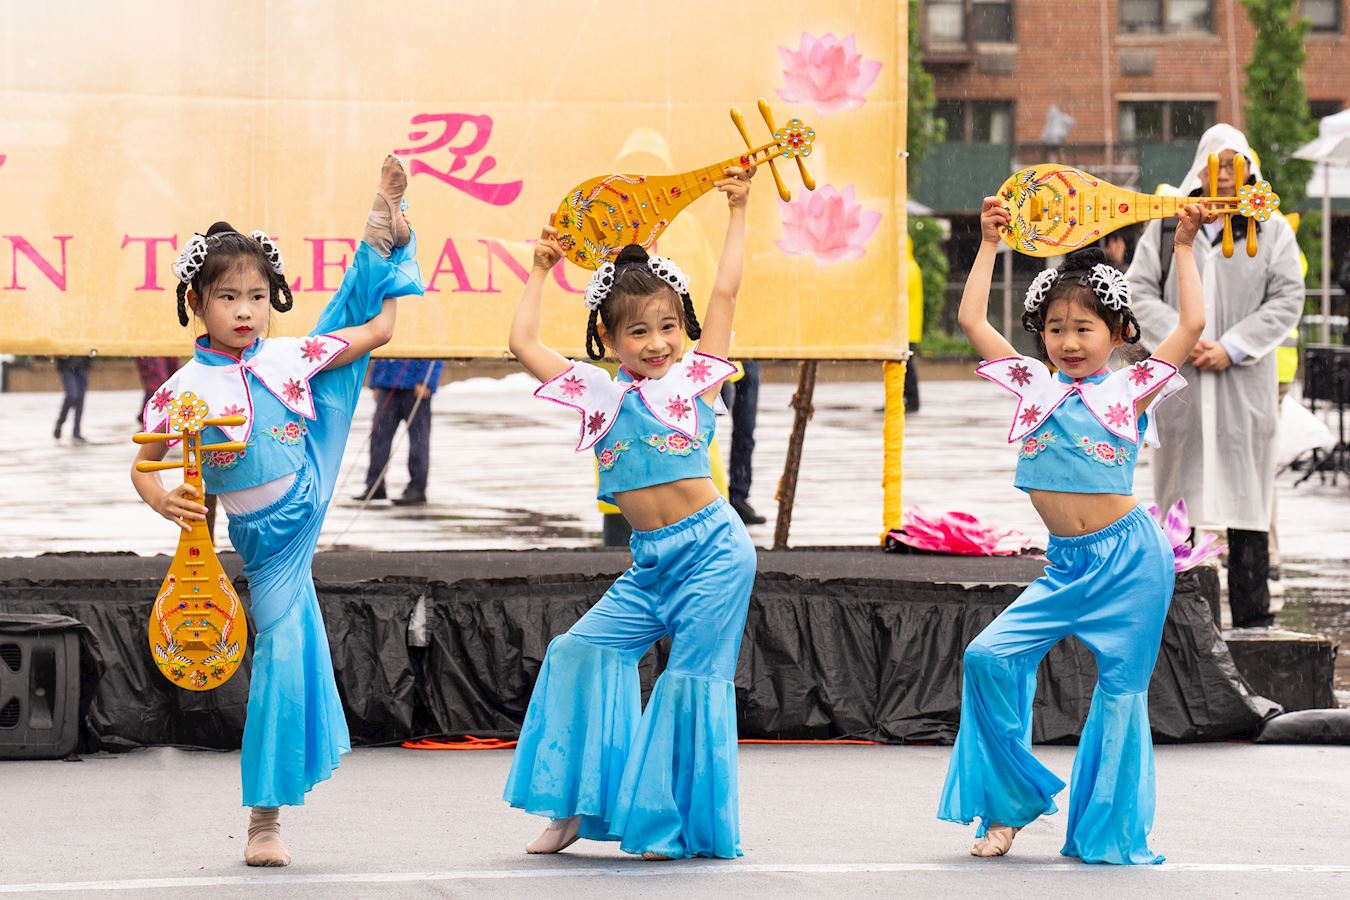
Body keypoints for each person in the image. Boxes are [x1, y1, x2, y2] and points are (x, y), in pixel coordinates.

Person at [130, 156, 423, 866]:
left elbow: (373, 334)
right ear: (197, 302)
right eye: (229, 297)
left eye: (257, 297)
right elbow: (144, 465)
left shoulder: (288, 356)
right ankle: (265, 815)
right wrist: (163, 497)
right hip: (265, 542)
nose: (245, 311)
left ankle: (379, 232)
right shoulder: (182, 389)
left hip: (308, 478)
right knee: (291, 652)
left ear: (271, 300)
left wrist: (390, 285)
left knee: (285, 652)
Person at [936, 197, 1210, 864]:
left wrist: (1181, 246)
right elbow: (972, 316)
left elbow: (1195, 321)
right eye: (1055, 328)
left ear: (1117, 334)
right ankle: (1008, 806)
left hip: (1132, 564)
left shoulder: (1132, 388)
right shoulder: (1032, 384)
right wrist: (989, 243)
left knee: (1119, 695)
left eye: (1084, 328)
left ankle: (1107, 833)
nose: (1068, 340)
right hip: (1068, 566)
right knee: (989, 657)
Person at [503, 165, 757, 860]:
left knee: (688, 685)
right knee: (578, 651)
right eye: (638, 331)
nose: (657, 343)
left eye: (668, 327)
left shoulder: (697, 380)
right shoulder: (596, 393)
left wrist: (738, 209)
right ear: (609, 340)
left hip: (713, 553)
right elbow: (523, 344)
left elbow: (728, 288)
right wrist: (539, 271)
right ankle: (578, 806)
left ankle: (667, 822)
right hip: (652, 564)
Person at [1125, 124, 1304, 628]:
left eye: (1235, 164)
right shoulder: (1167, 228)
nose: (1226, 173)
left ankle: (1253, 624)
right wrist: (1184, 335)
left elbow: (1288, 297)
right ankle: (1181, 621)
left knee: (1246, 505)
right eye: (1217, 163)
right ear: (1200, 167)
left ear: (1249, 168)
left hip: (1241, 385)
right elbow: (1139, 293)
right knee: (1180, 503)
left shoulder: (1269, 229)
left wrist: (1233, 345)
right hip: (1182, 384)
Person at [353, 358, 443, 505]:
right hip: (387, 385)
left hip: (416, 387)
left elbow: (436, 352)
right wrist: (376, 381)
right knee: (379, 438)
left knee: (418, 441)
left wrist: (427, 380)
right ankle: (375, 485)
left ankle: (417, 488)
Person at [720, 360, 765, 523]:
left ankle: (738, 497)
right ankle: (705, 497)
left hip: (749, 355)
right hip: (721, 351)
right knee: (706, 422)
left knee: (746, 429)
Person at [53, 354, 92, 442]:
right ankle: (60, 421)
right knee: (72, 395)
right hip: (67, 366)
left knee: (80, 400)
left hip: (83, 366)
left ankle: (76, 432)